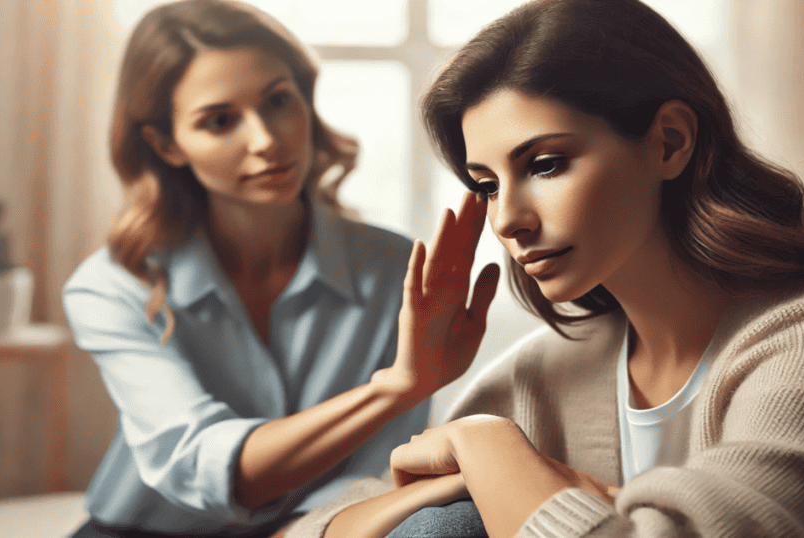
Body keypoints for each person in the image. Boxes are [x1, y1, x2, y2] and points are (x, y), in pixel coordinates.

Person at [287, 1, 804, 537]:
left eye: (545, 164)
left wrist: (485, 446)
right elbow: (312, 529)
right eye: (488, 183)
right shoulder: (549, 372)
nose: (508, 219)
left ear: (669, 141)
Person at [61, 1, 498, 536]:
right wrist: (396, 388)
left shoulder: (395, 272)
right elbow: (204, 465)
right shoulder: (110, 287)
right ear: (167, 144)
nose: (266, 140)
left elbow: (374, 478)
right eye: (220, 121)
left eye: (278, 101)